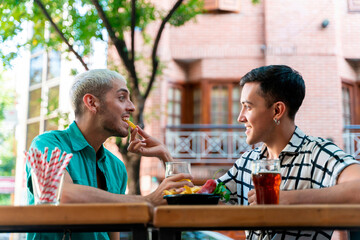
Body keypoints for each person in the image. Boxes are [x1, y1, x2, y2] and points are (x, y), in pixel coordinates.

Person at [25, 69, 193, 240]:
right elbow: (63, 194)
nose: (132, 107)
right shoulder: (47, 145)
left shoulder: (117, 167)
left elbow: (114, 234)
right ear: (92, 103)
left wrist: (164, 154)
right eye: (121, 98)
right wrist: (147, 201)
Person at [217, 65, 360, 240]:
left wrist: (290, 199)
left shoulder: (318, 154)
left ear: (277, 110)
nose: (240, 117)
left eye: (248, 107)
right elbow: (209, 198)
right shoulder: (247, 161)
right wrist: (176, 192)